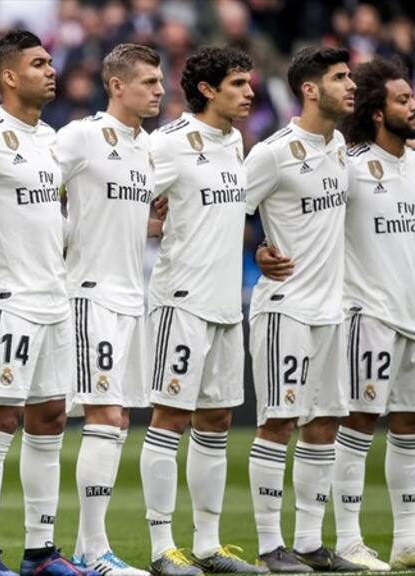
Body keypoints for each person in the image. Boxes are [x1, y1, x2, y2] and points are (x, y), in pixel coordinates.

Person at [258, 56, 415, 571]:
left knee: (388, 425)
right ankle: (340, 537)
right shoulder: (341, 161)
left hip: (379, 314)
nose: (413, 107)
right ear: (377, 111)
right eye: (403, 100)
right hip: (361, 311)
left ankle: (391, 539)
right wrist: (262, 248)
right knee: (339, 421)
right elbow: (266, 209)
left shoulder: (371, 157)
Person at [141, 46, 263, 575]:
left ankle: (209, 546)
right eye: (238, 83)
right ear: (209, 89)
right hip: (180, 301)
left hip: (225, 303)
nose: (250, 92)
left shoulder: (234, 141)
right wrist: (146, 223)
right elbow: (117, 198)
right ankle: (162, 546)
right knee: (170, 419)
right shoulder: (166, 143)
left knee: (216, 421)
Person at [0, 29, 79, 576]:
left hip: (54, 297)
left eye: (51, 61)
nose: (50, 69)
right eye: (38, 63)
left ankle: (40, 551)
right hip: (7, 299)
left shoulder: (50, 139)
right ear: (9, 76)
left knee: (50, 417)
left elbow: (48, 216)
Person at [244, 46, 363, 573]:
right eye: (340, 78)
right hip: (285, 307)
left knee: (326, 423)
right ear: (310, 90)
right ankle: (271, 545)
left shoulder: (339, 145)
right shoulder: (272, 152)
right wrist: (256, 249)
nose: (351, 85)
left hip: (331, 310)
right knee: (279, 422)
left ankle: (312, 543)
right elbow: (228, 211)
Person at [56, 43, 164, 576]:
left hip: (131, 296)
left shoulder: (147, 149)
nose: (159, 90)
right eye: (148, 81)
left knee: (118, 419)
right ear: (116, 85)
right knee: (104, 414)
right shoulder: (80, 135)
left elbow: (117, 211)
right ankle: (93, 552)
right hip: (90, 293)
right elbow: (27, 191)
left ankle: (86, 548)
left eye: (160, 81)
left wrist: (147, 224)